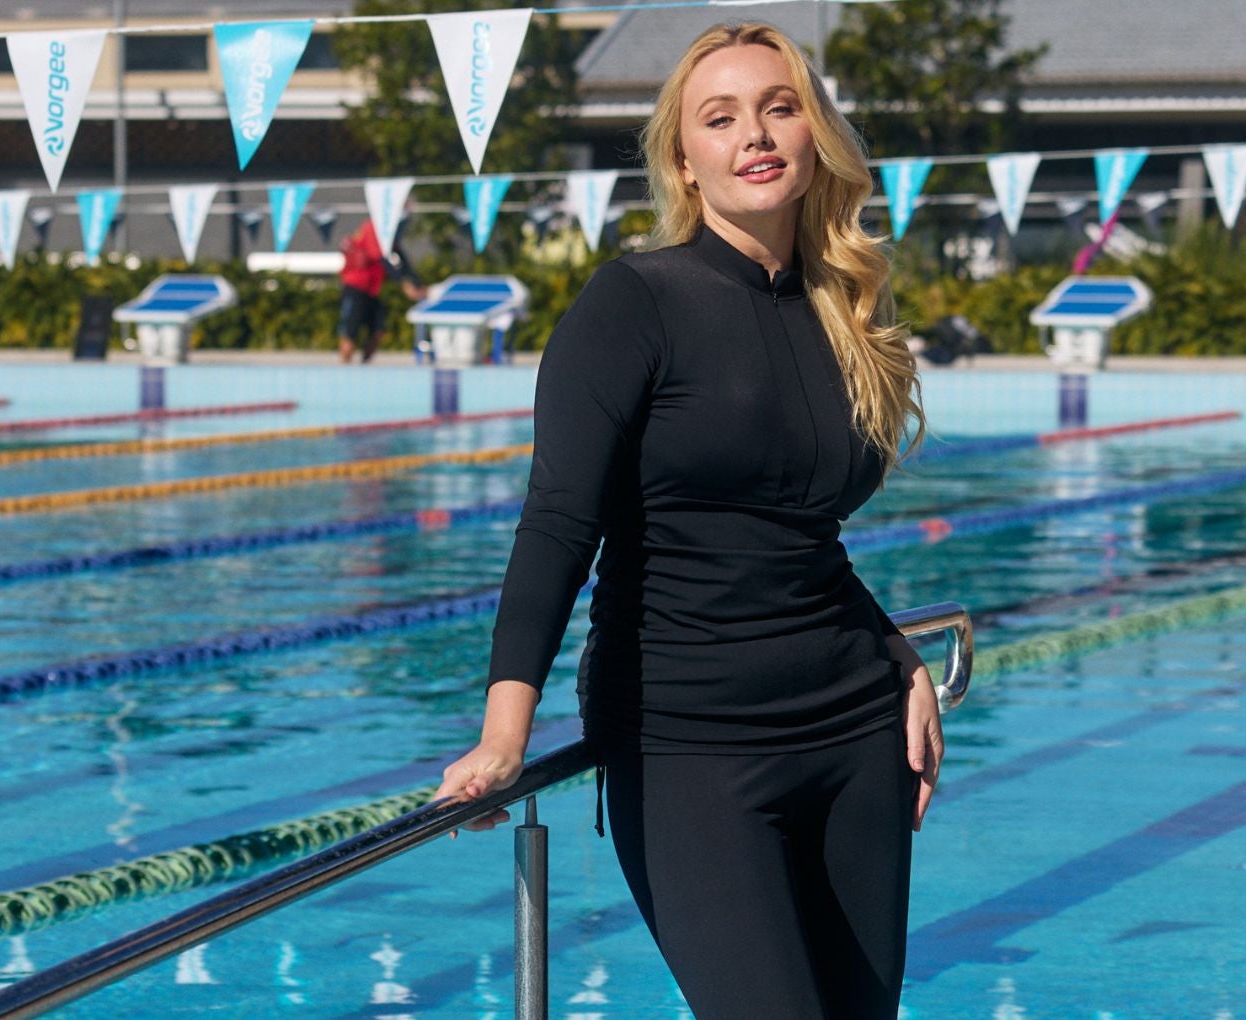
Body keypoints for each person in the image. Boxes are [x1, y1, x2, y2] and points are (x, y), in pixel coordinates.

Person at [431, 21, 938, 1019]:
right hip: (689, 743)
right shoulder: (633, 303)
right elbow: (559, 520)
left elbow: (794, 535)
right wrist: (503, 733)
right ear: (682, 159)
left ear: (815, 134)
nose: (754, 134)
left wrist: (892, 651)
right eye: (720, 117)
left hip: (851, 731)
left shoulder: (841, 311)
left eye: (779, 107)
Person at [337, 217, 425, 363]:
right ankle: (344, 368)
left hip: (372, 291)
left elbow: (401, 257)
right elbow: (381, 259)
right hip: (355, 287)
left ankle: (365, 366)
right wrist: (404, 284)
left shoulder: (388, 231)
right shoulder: (372, 227)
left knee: (378, 331)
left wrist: (416, 281)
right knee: (350, 333)